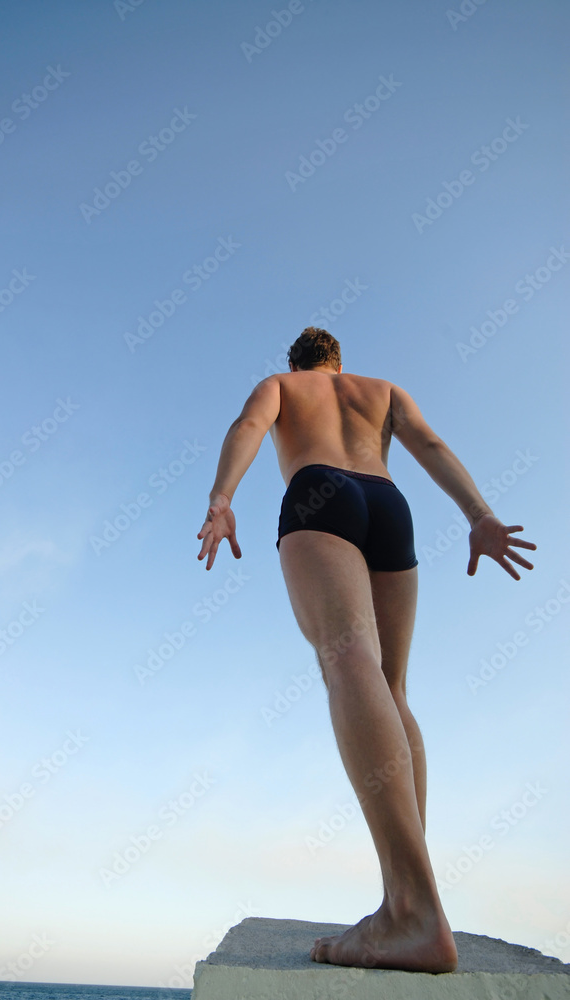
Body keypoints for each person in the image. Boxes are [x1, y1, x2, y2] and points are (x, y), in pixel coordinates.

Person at [196, 327, 536, 973]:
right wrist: (478, 514)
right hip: (387, 501)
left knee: (345, 661)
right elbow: (429, 443)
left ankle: (411, 911)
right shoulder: (381, 391)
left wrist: (222, 498)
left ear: (294, 362)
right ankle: (404, 897)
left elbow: (247, 423)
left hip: (319, 489)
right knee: (391, 685)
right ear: (339, 362)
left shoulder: (281, 386)